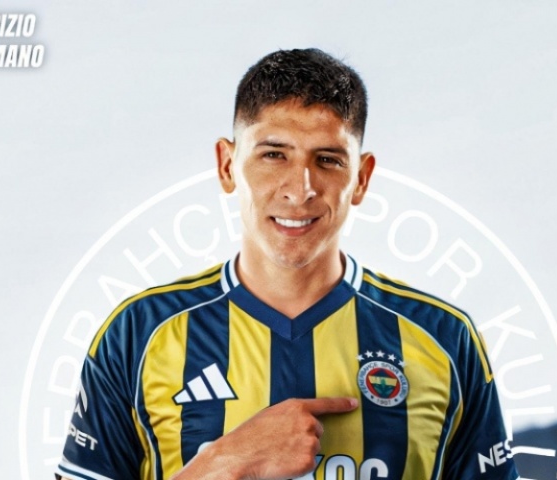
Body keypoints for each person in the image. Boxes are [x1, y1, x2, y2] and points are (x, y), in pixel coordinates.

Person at [56, 48, 519, 480]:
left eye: (328, 160)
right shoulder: (138, 334)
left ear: (361, 179)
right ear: (227, 165)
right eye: (274, 155)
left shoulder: (444, 338)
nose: (300, 189)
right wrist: (224, 463)